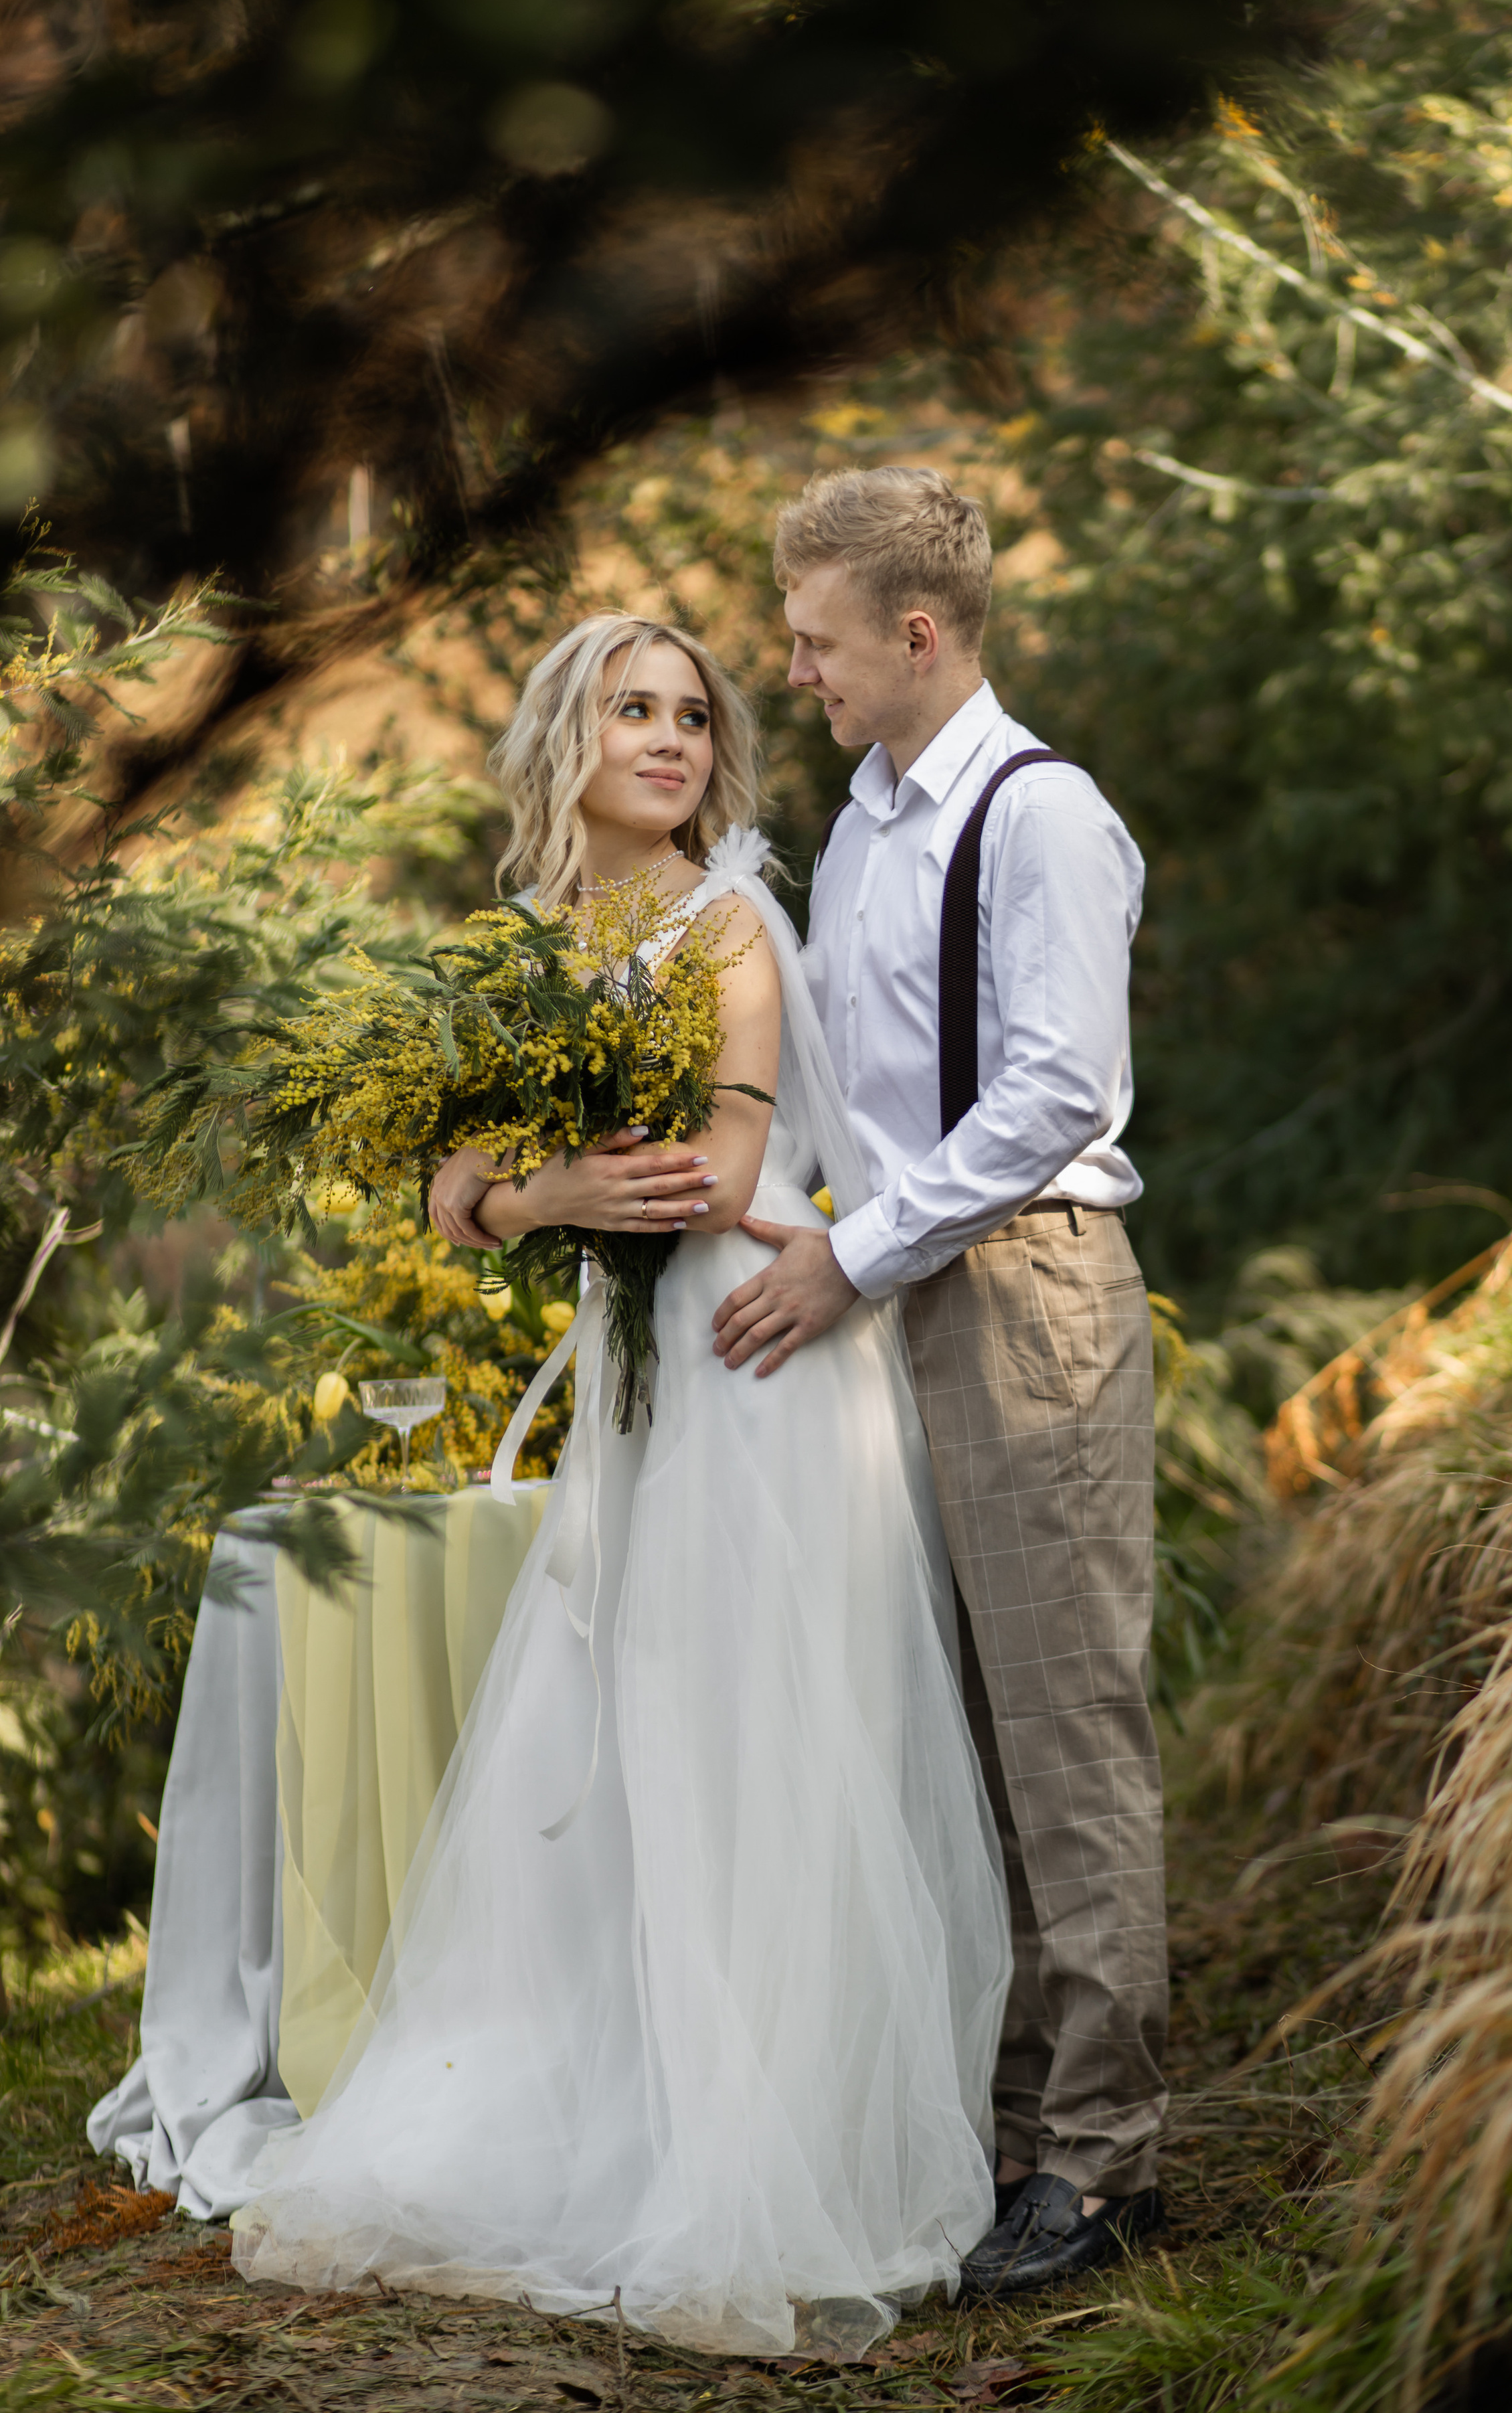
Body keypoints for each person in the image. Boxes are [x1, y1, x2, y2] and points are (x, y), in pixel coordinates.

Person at [229, 613, 1010, 2357]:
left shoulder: (730, 915)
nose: (667, 737)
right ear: (566, 738)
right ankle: (635, 2089)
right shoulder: (518, 956)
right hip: (644, 1375)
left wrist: (550, 1181)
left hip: (760, 1349)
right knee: (632, 1715)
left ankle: (777, 2134)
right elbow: (455, 1189)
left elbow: (721, 1169)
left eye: (690, 715)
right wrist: (536, 1189)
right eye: (630, 709)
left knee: (753, 1725)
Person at [710, 468, 1167, 2299]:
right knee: (952, 1738)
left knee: (1062, 1729)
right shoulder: (863, 825)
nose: (795, 672)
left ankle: (1107, 2164)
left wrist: (857, 1254)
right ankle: (999, 2136)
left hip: (1024, 1287)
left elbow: (1054, 1091)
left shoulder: (1040, 816)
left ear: (915, 634)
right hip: (888, 1290)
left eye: (816, 642)